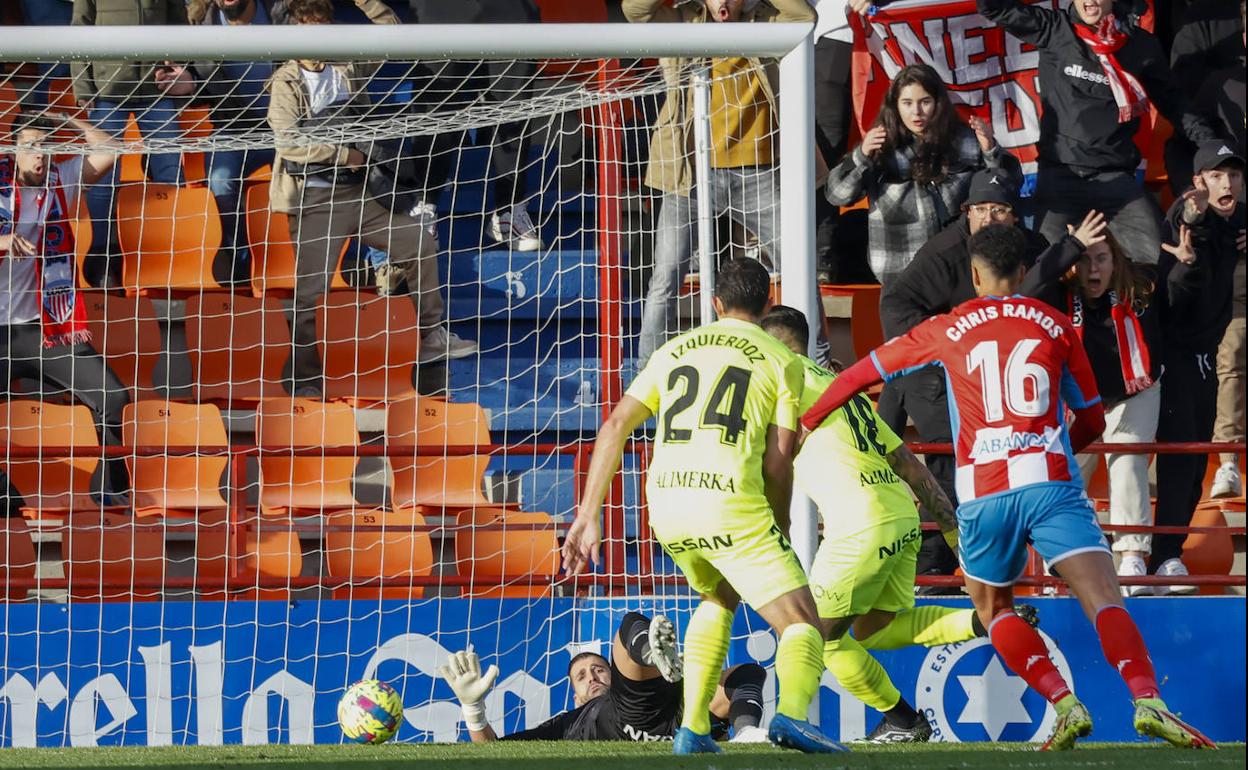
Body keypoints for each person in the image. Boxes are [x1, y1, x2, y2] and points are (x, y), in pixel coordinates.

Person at [799, 223, 1215, 751]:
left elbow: (858, 374)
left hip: (984, 491)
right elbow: (1090, 420)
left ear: (974, 275)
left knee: (995, 610)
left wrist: (810, 420)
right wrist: (1054, 445)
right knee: (1104, 597)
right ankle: (1149, 701)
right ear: (1023, 272)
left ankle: (1064, 704)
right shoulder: (1057, 324)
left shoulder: (947, 327)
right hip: (1050, 483)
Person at [563, 258, 844, 755]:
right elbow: (780, 463)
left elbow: (613, 428)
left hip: (667, 507)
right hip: (730, 503)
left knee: (719, 599)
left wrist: (587, 516)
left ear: (715, 303)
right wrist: (776, 526)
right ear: (767, 304)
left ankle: (693, 730)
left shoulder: (673, 350)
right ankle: (794, 718)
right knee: (803, 623)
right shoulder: (781, 360)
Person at [760, 305, 1039, 744]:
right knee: (876, 629)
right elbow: (912, 466)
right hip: (902, 517)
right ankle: (983, 624)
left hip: (859, 524)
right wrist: (954, 535)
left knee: (815, 636)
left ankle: (895, 720)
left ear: (771, 346)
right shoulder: (841, 392)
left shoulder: (779, 386)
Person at [266, 0, 476, 397]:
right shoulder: (285, 82)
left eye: (323, 27)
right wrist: (347, 155)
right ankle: (306, 378)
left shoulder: (347, 68)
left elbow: (390, 36)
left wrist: (367, 2)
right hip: (315, 200)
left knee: (419, 242)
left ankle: (431, 334)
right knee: (311, 293)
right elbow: (289, 144)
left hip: (361, 195)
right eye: (308, 29)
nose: (318, 37)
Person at [624, 0, 827, 366]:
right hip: (690, 173)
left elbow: (805, 16)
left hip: (759, 173)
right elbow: (635, 10)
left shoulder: (765, 19)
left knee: (799, 266)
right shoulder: (684, 20)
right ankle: (644, 372)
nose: (723, 3)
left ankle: (820, 362)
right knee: (665, 277)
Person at [877, 169, 1048, 581]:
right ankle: (933, 563)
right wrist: (941, 350)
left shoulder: (1032, 249)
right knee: (946, 454)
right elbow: (896, 305)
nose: (988, 218)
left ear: (1015, 216)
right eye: (980, 209)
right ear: (966, 213)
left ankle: (997, 557)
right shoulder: (944, 251)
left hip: (985, 369)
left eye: (999, 209)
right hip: (928, 364)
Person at [976, 0, 1215, 267]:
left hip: (1117, 181)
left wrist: (1212, 149)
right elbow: (992, 8)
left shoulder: (1140, 45)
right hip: (1061, 177)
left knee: (1161, 262)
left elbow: (1174, 102)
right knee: (1045, 268)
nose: (1090, 1)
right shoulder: (1055, 28)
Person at [1025, 224, 1163, 594]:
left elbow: (1186, 294)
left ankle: (1132, 555)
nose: (1093, 270)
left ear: (1116, 260)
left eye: (1101, 259)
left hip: (1134, 392)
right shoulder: (1056, 294)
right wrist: (1069, 247)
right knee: (1066, 474)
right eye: (1084, 260)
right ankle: (1063, 561)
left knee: (1126, 460)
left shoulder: (1141, 286)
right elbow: (1027, 288)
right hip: (1076, 398)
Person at [1, 111, 129, 503]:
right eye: (32, 147)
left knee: (113, 397)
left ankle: (112, 491)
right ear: (12, 151)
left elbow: (111, 148)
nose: (41, 155)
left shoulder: (61, 180)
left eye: (47, 147)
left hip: (48, 328)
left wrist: (65, 119)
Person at [438, 612, 769, 743]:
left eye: (598, 669)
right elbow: (495, 754)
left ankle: (747, 735)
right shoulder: (566, 724)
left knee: (746, 674)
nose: (592, 676)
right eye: (580, 676)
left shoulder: (618, 690)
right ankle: (655, 657)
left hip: (667, 714)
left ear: (613, 675)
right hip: (628, 720)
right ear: (575, 696)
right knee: (629, 625)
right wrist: (473, 709)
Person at [825, 62, 1019, 285]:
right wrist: (862, 155)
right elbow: (837, 195)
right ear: (895, 105)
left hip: (960, 266)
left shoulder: (964, 140)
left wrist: (990, 150)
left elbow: (1008, 186)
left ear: (938, 103)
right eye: (907, 103)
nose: (916, 112)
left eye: (924, 102)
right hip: (900, 272)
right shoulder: (881, 145)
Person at [1152, 142, 1246, 585]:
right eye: (1216, 176)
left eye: (1234, 176)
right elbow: (1188, 222)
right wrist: (1193, 219)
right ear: (1197, 184)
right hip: (1174, 356)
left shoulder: (1235, 221)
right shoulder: (1188, 216)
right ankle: (1160, 555)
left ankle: (1169, 551)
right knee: (1178, 461)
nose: (1226, 183)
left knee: (1195, 467)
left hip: (1206, 356)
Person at [165, 0, 289, 286]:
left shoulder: (280, 14)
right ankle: (240, 261)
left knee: (306, 175)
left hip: (283, 129)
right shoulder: (202, 25)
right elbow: (201, 83)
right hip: (232, 130)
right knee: (219, 181)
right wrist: (190, 86)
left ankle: (299, 257)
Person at [406, 0, 544, 252]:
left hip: (508, 10)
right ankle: (425, 205)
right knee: (437, 105)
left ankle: (508, 210)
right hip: (443, 10)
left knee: (514, 109)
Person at [70, 0, 188, 287]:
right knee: (103, 180)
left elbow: (180, 26)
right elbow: (79, 30)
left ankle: (170, 251)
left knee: (171, 173)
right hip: (107, 90)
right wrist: (83, 87)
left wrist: (176, 69)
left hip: (156, 90)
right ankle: (100, 256)